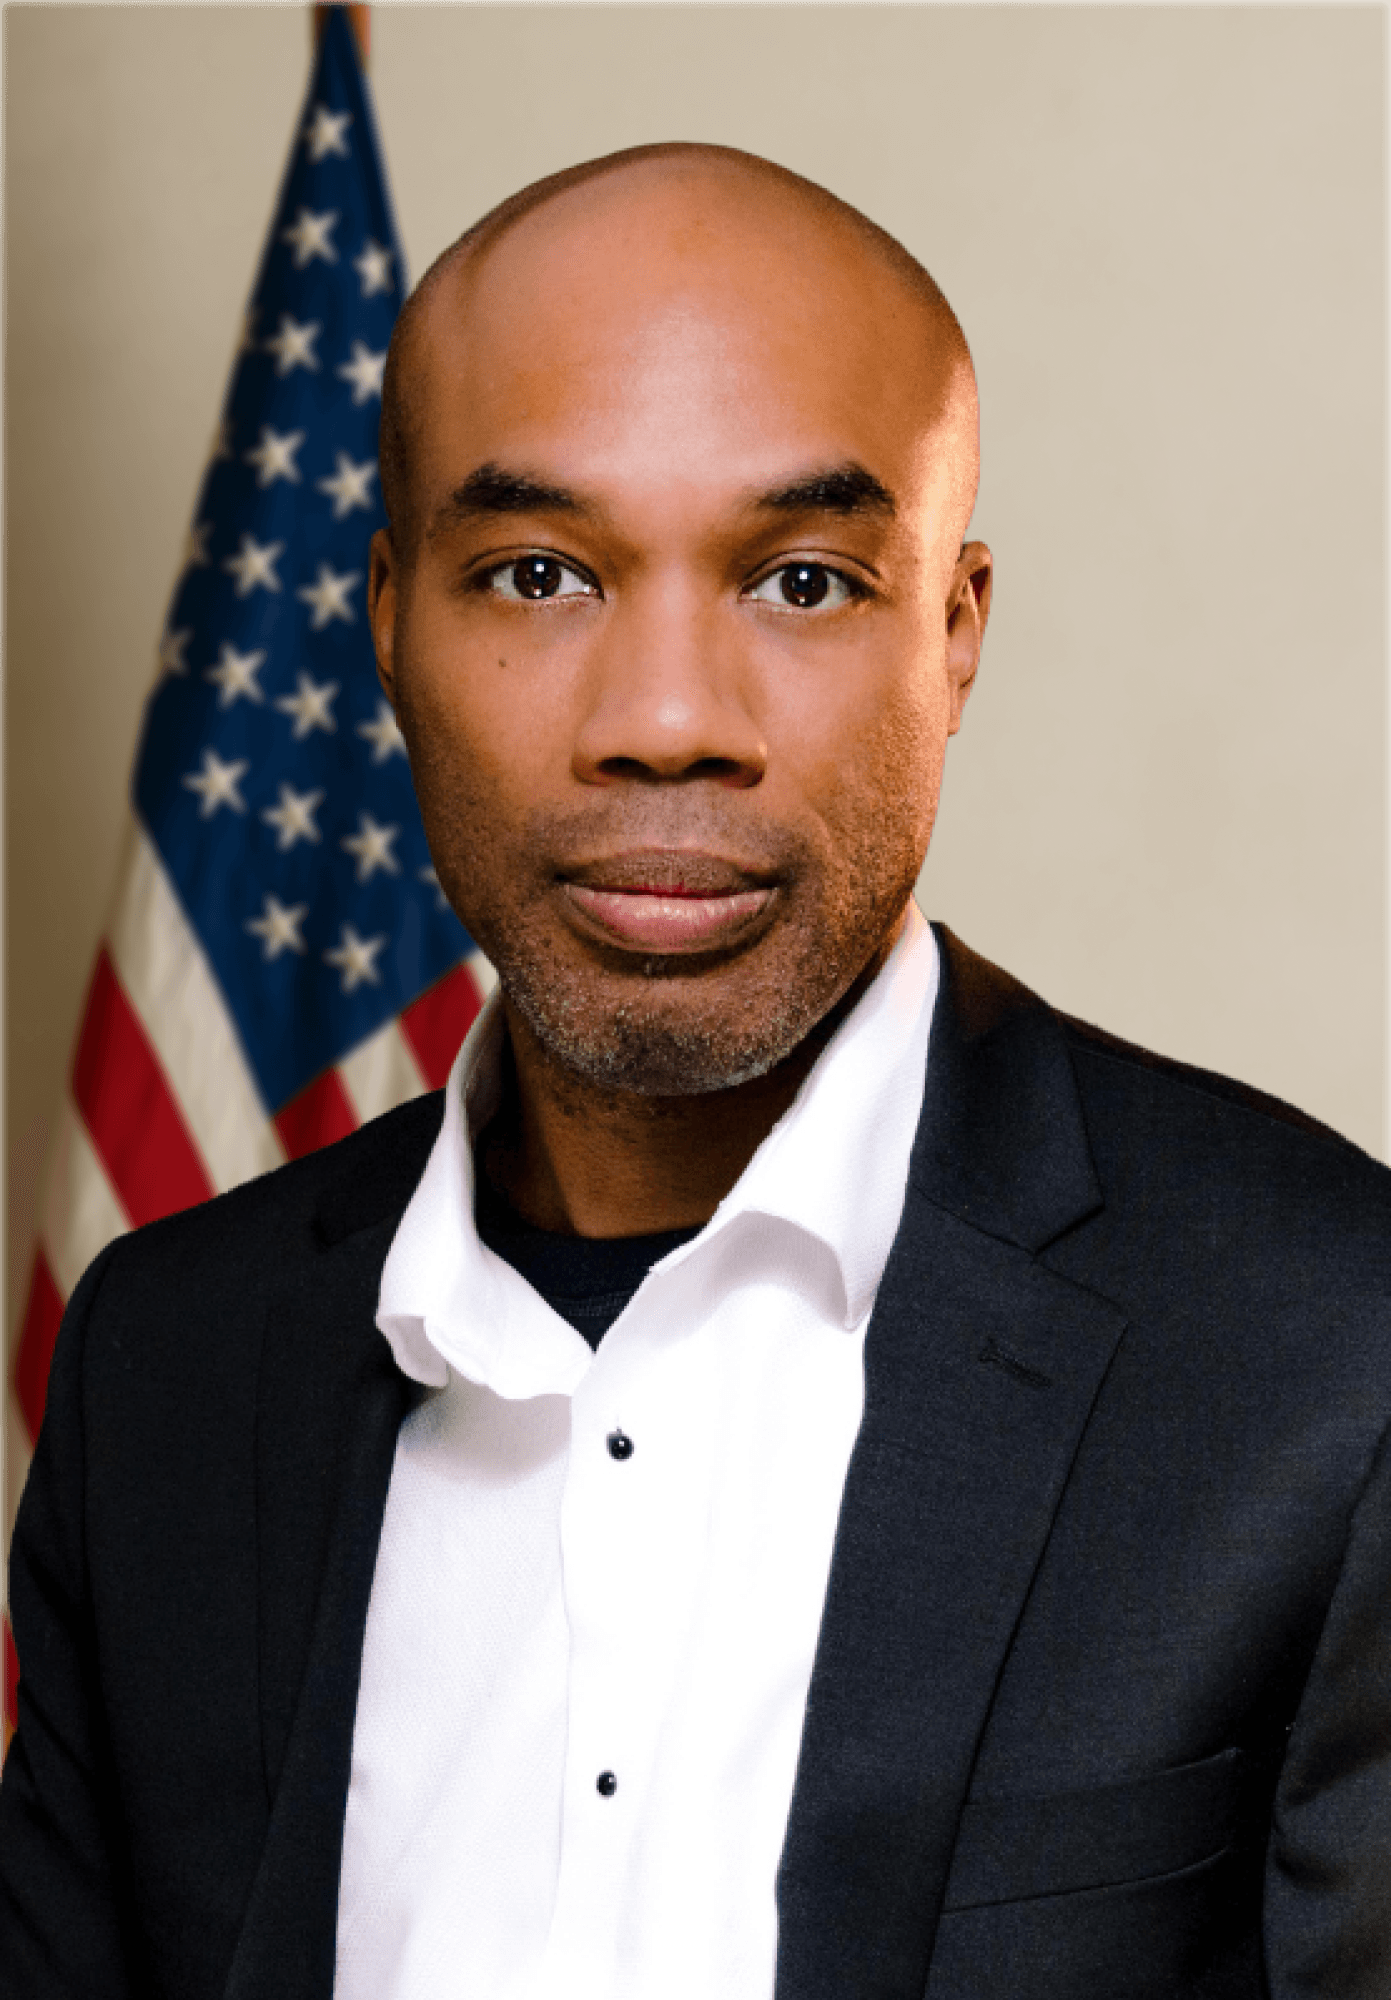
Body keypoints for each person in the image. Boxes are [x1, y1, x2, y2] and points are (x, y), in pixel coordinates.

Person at [1, 142, 1388, 2000]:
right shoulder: (158, 1372)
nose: (665, 721)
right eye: (543, 572)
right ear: (389, 622)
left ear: (953, 633)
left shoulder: (1328, 1350)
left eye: (802, 582)